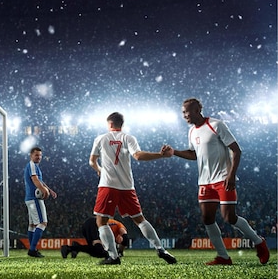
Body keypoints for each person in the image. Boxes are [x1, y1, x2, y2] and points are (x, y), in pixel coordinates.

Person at [161, 98, 270, 265]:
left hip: (223, 178)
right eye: (183, 112)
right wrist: (174, 152)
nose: (184, 116)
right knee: (207, 219)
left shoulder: (216, 125)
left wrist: (231, 175)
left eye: (186, 112)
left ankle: (258, 242)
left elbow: (236, 150)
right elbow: (194, 154)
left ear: (197, 110)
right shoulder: (191, 132)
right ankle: (223, 257)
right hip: (205, 182)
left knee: (229, 217)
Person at [89, 112, 177, 265]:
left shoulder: (101, 138)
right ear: (121, 124)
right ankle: (161, 249)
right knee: (140, 220)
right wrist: (160, 155)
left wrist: (100, 169)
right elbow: (138, 156)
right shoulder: (128, 138)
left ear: (109, 124)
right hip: (127, 186)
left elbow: (92, 161)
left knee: (101, 221)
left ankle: (113, 257)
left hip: (108, 185)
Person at [24, 146, 57, 257]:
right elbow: (35, 179)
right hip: (35, 198)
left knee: (32, 225)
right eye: (36, 155)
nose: (39, 157)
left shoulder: (33, 166)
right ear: (31, 155)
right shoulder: (32, 165)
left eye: (40, 155)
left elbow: (40, 180)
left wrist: (49, 190)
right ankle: (32, 250)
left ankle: (32, 249)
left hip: (29, 199)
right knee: (43, 223)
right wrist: (44, 191)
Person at [61, 217, 129, 259]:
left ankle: (75, 247)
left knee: (95, 251)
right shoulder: (119, 226)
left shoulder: (111, 236)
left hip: (88, 225)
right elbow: (125, 238)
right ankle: (70, 248)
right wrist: (120, 252)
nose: (118, 241)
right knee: (100, 251)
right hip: (93, 223)